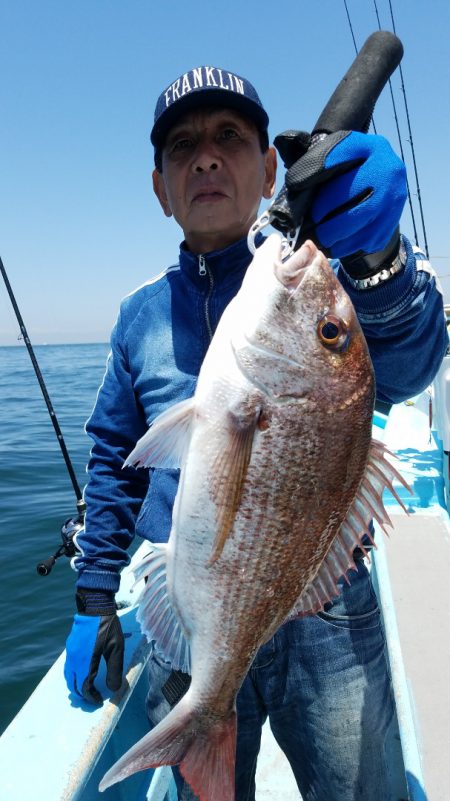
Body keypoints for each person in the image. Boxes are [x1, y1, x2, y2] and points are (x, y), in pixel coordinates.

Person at [64, 66, 448, 801]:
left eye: (230, 137)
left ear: (270, 167)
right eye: (183, 146)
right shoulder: (138, 316)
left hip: (327, 601)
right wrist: (92, 595)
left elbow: (411, 359)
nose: (206, 156)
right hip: (198, 604)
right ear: (160, 187)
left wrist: (378, 261)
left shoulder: (320, 274)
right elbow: (115, 461)